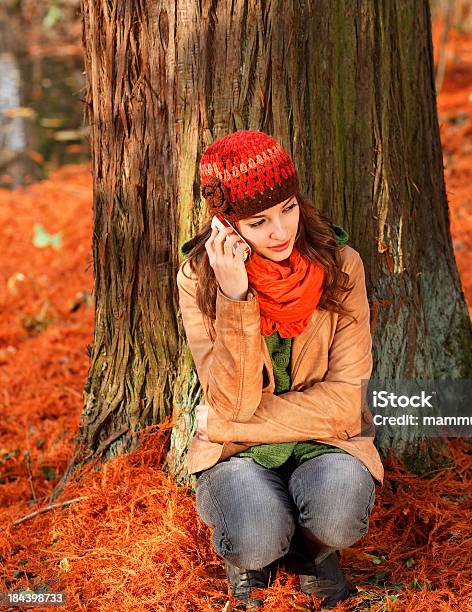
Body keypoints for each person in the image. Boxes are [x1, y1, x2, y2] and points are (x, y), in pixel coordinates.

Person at [176, 129, 384, 609]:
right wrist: (234, 297)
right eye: (258, 221)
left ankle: (313, 552)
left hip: (325, 444)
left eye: (288, 208)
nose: (280, 232)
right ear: (226, 226)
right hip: (239, 454)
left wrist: (224, 423)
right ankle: (256, 554)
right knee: (254, 535)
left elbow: (346, 401)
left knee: (340, 513)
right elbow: (233, 398)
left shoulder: (342, 266)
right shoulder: (198, 281)